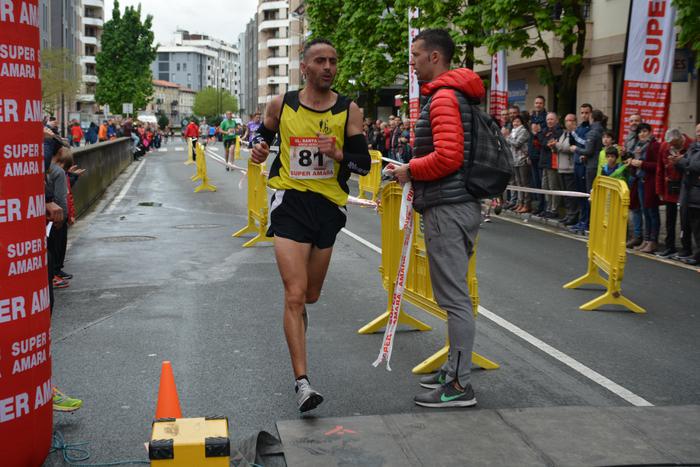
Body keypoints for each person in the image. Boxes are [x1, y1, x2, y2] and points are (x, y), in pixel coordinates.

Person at [249, 38, 370, 412]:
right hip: (289, 202)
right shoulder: (281, 104)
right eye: (320, 60)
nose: (328, 67)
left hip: (328, 207)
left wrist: (338, 155)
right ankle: (302, 381)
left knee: (311, 296)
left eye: (333, 60)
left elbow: (363, 163)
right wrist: (257, 146)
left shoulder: (349, 110)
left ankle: (298, 323)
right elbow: (260, 137)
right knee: (294, 293)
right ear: (304, 67)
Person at [388, 29, 484, 408]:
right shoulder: (454, 96)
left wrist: (408, 170)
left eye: (415, 54)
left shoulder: (444, 99)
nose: (411, 62)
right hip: (455, 204)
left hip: (448, 207)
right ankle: (454, 370)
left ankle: (459, 385)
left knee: (454, 299)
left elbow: (448, 157)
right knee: (453, 295)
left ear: (435, 57)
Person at [656, 128, 693, 258]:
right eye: (669, 143)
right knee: (669, 220)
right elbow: (660, 168)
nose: (671, 146)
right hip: (670, 187)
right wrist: (659, 190)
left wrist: (679, 161)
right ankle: (669, 247)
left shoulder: (690, 145)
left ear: (679, 139)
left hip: (685, 188)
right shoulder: (665, 147)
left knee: (685, 221)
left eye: (673, 143)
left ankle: (686, 248)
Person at [626, 123, 661, 253]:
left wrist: (642, 163)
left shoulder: (655, 145)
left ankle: (653, 241)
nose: (642, 134)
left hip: (650, 182)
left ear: (650, 132)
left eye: (645, 131)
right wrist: (632, 162)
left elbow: (658, 166)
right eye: (640, 132)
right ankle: (646, 240)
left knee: (652, 212)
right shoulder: (638, 146)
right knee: (645, 211)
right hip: (640, 181)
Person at [569, 108, 604, 233]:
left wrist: (575, 149)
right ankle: (587, 221)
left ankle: (589, 223)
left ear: (592, 118)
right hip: (594, 164)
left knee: (590, 195)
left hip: (591, 167)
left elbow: (588, 149)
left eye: (587, 114)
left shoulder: (593, 132)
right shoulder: (600, 130)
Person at [674, 123, 700, 265]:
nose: (698, 134)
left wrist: (683, 161)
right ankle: (689, 251)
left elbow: (695, 166)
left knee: (697, 226)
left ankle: (697, 255)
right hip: (688, 191)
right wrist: (678, 162)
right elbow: (687, 165)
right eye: (697, 131)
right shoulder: (693, 147)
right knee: (689, 223)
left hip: (697, 192)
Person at [555, 114, 580, 225]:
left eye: (571, 120)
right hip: (561, 167)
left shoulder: (575, 135)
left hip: (570, 168)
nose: (568, 123)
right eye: (566, 120)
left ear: (575, 122)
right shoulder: (564, 134)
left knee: (571, 195)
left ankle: (573, 215)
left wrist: (557, 145)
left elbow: (570, 148)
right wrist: (554, 147)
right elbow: (560, 148)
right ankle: (568, 214)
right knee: (565, 194)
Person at [539, 112, 563, 219]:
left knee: (553, 186)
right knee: (545, 186)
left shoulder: (559, 131)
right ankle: (548, 207)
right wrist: (546, 142)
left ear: (556, 120)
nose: (549, 121)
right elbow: (543, 142)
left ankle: (554, 209)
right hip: (544, 161)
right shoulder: (545, 130)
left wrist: (547, 142)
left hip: (552, 162)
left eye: (551, 119)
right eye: (548, 119)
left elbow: (553, 142)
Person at [505, 114, 531, 213]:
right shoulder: (513, 131)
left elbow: (517, 143)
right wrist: (508, 138)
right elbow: (509, 142)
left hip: (522, 160)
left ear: (521, 123)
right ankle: (520, 203)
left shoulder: (524, 131)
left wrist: (508, 137)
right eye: (514, 121)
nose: (515, 123)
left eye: (517, 122)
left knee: (525, 183)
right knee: (518, 183)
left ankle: (526, 204)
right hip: (514, 160)